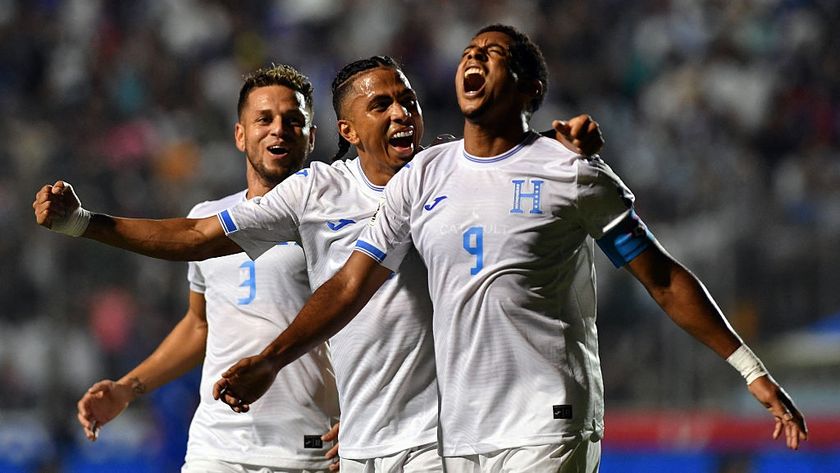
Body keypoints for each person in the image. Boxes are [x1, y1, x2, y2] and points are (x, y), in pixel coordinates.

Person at [210, 25, 809, 472]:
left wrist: (749, 368)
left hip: (549, 424)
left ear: (531, 88)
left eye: (493, 54)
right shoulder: (427, 174)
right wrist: (271, 361)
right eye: (470, 52)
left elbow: (662, 277)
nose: (474, 58)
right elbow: (348, 285)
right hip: (463, 440)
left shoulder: (571, 171)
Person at [33, 54, 604, 471]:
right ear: (349, 131)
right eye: (381, 104)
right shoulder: (310, 196)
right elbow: (198, 263)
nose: (402, 111)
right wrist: (84, 224)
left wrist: (556, 147)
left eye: (408, 100)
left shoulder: (444, 178)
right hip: (297, 444)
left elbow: (503, 161)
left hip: (417, 439)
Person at [72, 64, 341, 472]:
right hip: (216, 448)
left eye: (293, 120)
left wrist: (363, 416)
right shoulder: (208, 216)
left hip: (308, 449)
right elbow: (200, 325)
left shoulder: (336, 221)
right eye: (263, 119)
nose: (278, 129)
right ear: (239, 134)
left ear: (312, 136)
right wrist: (127, 388)